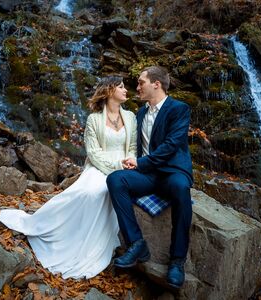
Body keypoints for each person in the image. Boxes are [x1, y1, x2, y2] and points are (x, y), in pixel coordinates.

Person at [0, 76, 137, 279]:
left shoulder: (131, 117)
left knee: (109, 191)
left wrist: (130, 161)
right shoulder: (94, 119)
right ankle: (51, 227)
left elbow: (132, 146)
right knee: (89, 192)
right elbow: (93, 152)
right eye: (121, 87)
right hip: (99, 168)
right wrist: (115, 165)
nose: (126, 90)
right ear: (109, 91)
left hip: (125, 168)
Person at [106, 66, 193, 289]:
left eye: (140, 82)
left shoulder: (179, 109)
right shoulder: (141, 113)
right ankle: (137, 244)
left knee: (181, 188)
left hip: (172, 172)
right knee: (116, 180)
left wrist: (141, 162)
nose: (137, 87)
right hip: (147, 175)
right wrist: (129, 160)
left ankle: (177, 261)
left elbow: (172, 145)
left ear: (156, 84)